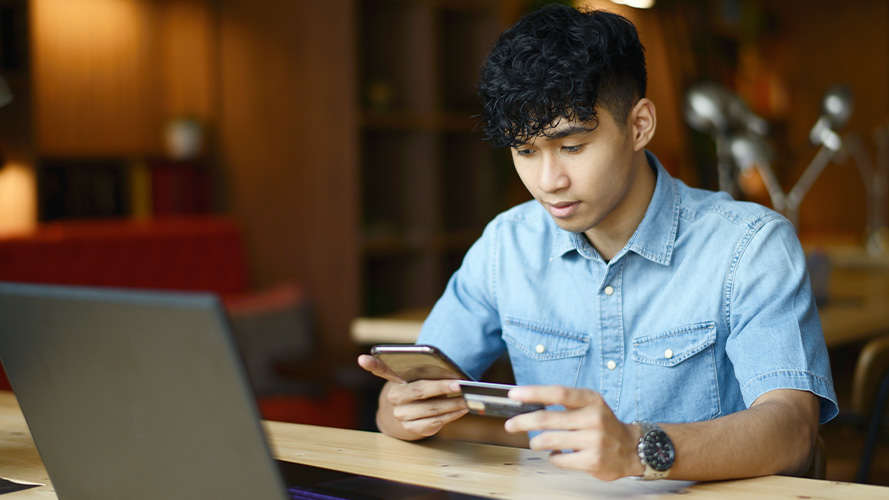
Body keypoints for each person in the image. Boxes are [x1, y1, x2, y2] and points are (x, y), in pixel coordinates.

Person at [358, 3, 837, 482]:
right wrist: (401, 412)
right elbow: (399, 402)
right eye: (525, 151)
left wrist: (636, 450)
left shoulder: (749, 246)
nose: (548, 181)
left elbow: (792, 430)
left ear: (639, 125)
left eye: (572, 147)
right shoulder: (507, 246)